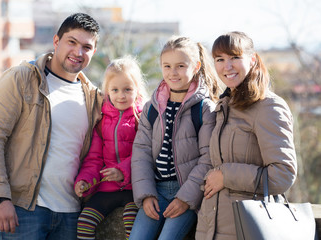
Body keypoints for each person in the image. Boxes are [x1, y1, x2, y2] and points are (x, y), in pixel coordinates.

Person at [0, 13, 103, 239]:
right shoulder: (22, 78)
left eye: (86, 47)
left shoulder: (94, 97)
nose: (78, 52)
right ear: (56, 41)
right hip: (24, 211)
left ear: (93, 51)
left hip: (72, 214)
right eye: (72, 42)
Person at [195, 31, 297, 240]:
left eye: (235, 57)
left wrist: (226, 176)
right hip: (210, 228)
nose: (227, 66)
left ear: (252, 59)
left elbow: (283, 174)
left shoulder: (269, 107)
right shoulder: (224, 106)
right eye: (220, 59)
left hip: (247, 229)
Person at [129, 36, 220, 240]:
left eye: (180, 66)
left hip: (188, 192)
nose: (173, 72)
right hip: (156, 190)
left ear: (196, 66)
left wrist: (186, 199)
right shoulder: (152, 108)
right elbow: (141, 152)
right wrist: (146, 195)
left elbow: (208, 158)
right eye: (167, 66)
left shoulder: (204, 109)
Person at [74, 56, 146, 240]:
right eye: (115, 90)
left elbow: (145, 153)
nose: (121, 95)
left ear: (137, 90)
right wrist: (84, 181)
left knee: (132, 221)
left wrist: (123, 171)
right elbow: (94, 159)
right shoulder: (101, 121)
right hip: (106, 189)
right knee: (84, 222)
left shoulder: (142, 118)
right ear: (107, 91)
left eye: (127, 89)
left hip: (134, 188)